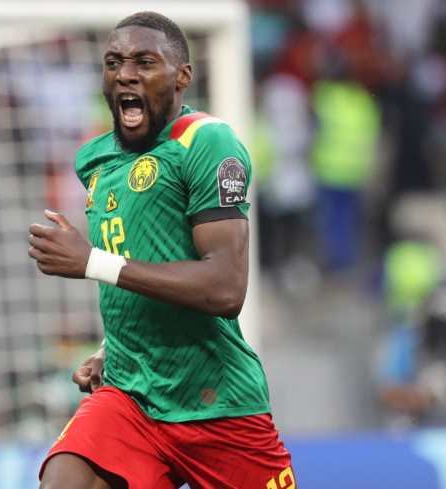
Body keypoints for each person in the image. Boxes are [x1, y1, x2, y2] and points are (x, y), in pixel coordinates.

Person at [28, 11, 295, 489]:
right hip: (130, 397)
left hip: (216, 402)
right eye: (114, 62)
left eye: (145, 62)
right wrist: (111, 346)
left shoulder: (206, 142)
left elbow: (225, 288)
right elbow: (142, 257)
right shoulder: (94, 160)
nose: (125, 74)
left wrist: (90, 261)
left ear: (182, 76)